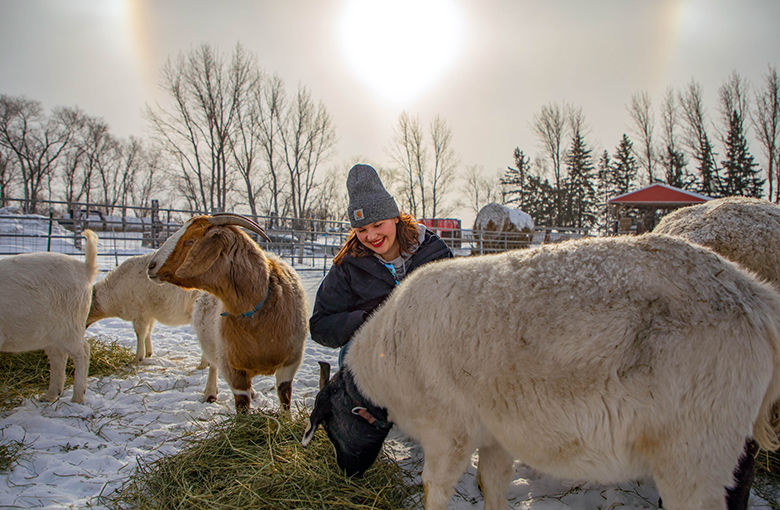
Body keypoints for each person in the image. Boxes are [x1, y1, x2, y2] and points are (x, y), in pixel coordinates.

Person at [309, 164, 453, 364]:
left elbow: (458, 306)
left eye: (377, 225)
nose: (371, 236)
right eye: (361, 230)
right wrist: (366, 320)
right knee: (351, 352)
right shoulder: (349, 266)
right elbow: (320, 325)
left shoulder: (432, 253)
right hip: (377, 355)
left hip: (432, 351)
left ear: (395, 217)